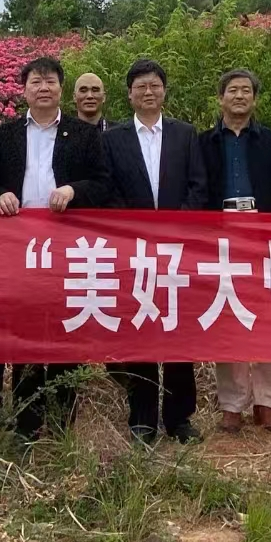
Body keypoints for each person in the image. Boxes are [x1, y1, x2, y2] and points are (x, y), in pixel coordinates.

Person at [0, 57, 112, 440]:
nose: (43, 88)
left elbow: (103, 184)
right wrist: (1, 195)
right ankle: (26, 418)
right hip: (18, 245)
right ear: (23, 90)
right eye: (36, 81)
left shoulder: (84, 134)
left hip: (67, 244)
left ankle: (63, 416)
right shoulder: (5, 134)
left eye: (51, 81)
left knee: (64, 326)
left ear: (61, 89)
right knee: (24, 328)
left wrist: (74, 190)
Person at [102, 59, 208, 444]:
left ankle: (180, 418)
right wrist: (137, 229)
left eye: (155, 85)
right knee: (140, 332)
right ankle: (142, 418)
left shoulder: (185, 134)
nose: (148, 92)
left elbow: (199, 187)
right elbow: (109, 191)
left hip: (179, 249)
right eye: (140, 86)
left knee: (179, 333)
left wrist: (177, 226)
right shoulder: (113, 138)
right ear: (129, 94)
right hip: (134, 250)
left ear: (164, 91)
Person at [199, 68, 271, 433]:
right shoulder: (203, 142)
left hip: (265, 236)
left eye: (246, 91)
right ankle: (232, 403)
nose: (239, 96)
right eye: (232, 91)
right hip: (218, 238)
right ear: (220, 98)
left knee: (269, 318)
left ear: (254, 99)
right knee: (229, 316)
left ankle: (269, 402)